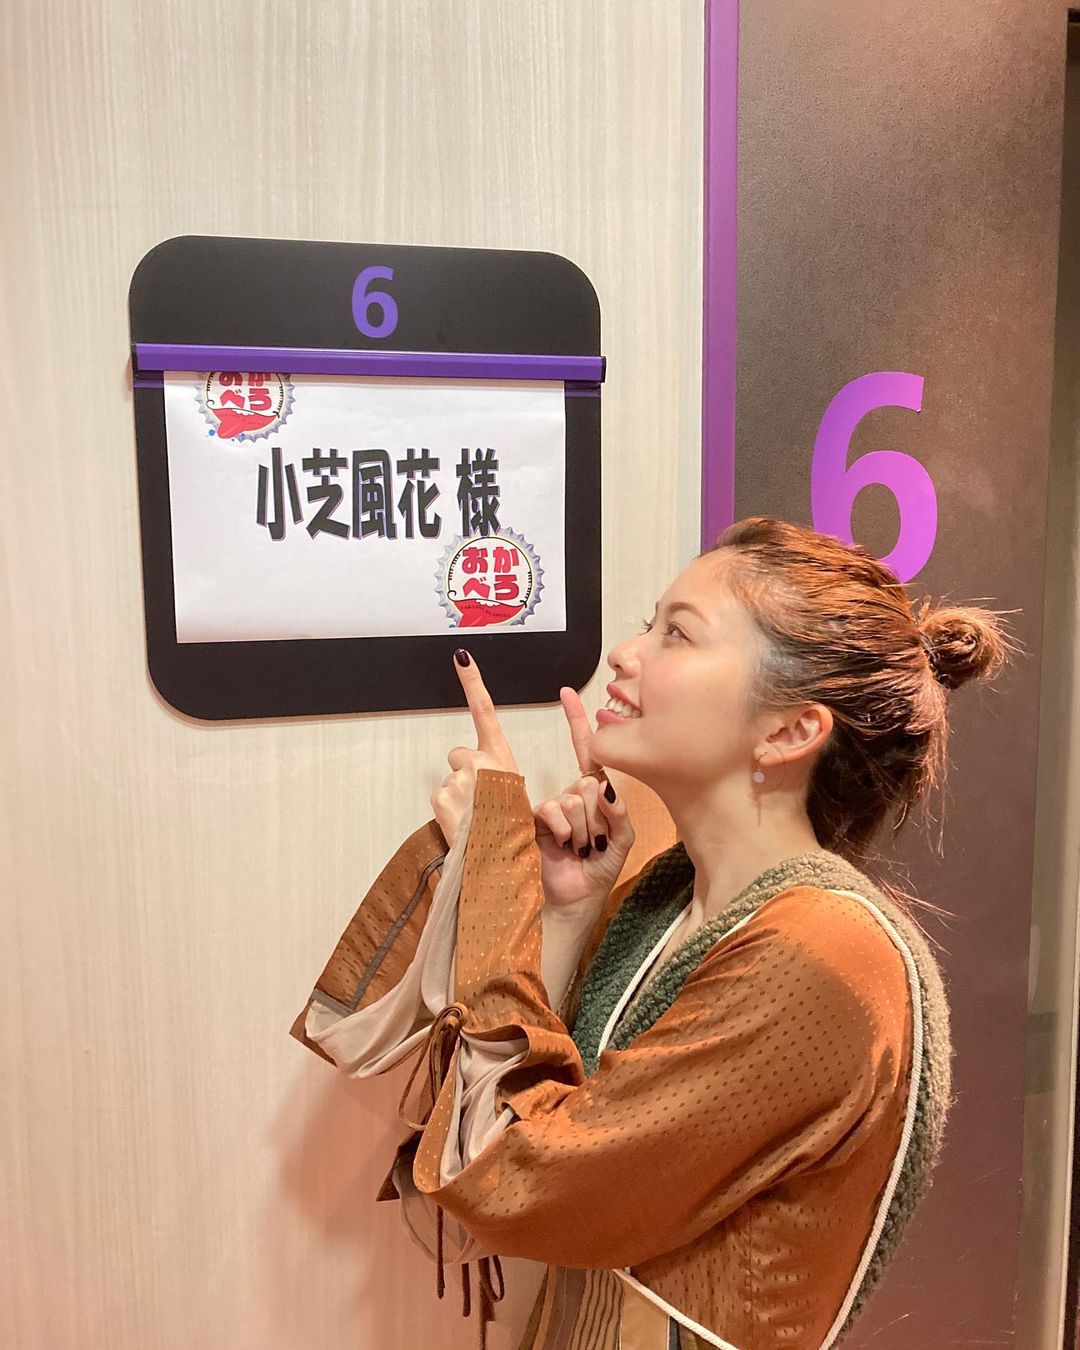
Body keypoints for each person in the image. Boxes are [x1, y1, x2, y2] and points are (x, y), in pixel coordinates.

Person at [290, 515, 1015, 1350]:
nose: (625, 654)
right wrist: (567, 910)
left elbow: (511, 1178)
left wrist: (495, 861)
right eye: (649, 622)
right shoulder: (669, 897)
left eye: (678, 633)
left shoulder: (821, 953)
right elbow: (558, 1121)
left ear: (789, 732)